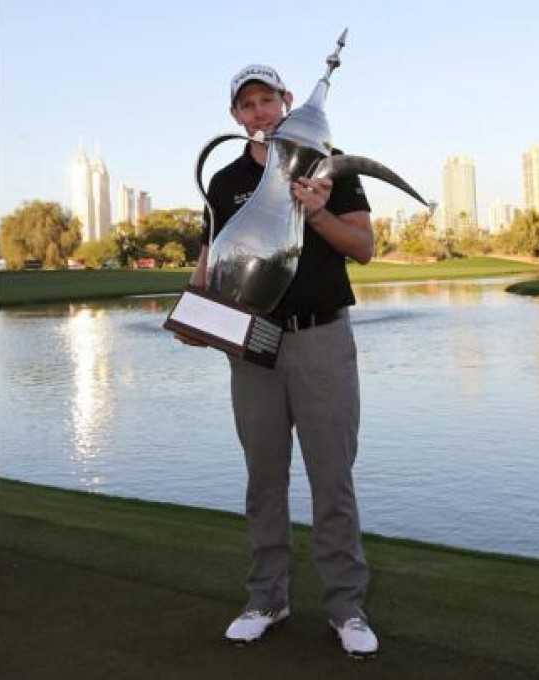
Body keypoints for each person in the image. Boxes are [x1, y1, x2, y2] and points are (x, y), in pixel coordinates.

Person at [177, 63, 379, 658]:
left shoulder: (328, 164)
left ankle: (346, 607)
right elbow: (211, 256)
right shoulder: (226, 180)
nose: (259, 112)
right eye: (248, 105)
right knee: (264, 479)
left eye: (268, 100)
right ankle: (267, 598)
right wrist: (193, 312)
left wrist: (316, 213)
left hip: (321, 339)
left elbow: (364, 248)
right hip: (252, 342)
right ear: (235, 115)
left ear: (287, 102)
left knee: (332, 480)